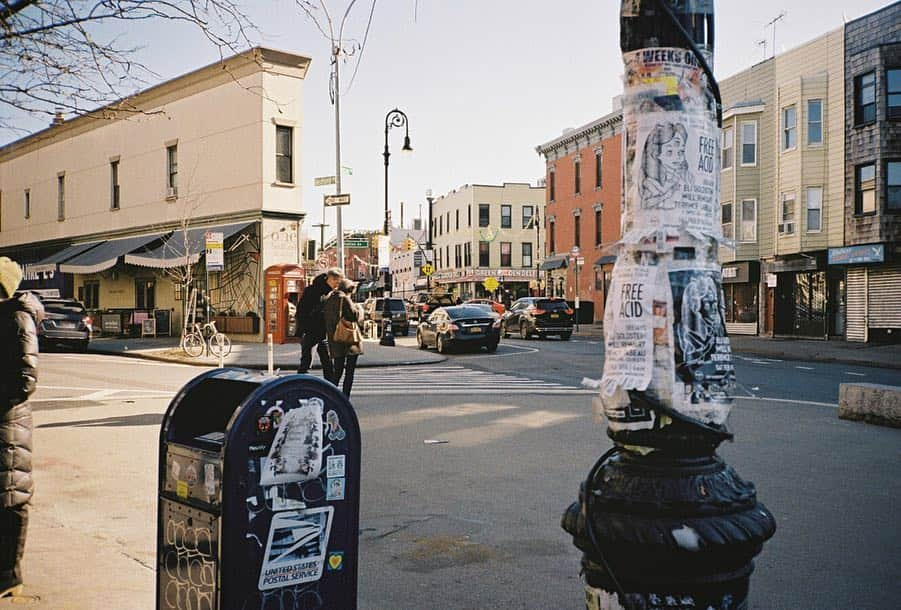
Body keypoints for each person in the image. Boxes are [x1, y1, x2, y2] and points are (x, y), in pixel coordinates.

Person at [0, 258, 42, 600]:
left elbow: (25, 378)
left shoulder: (16, 318)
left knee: (12, 498)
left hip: (9, 423)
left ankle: (9, 577)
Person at [296, 268, 342, 378]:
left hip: (322, 331)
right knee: (308, 360)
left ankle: (329, 385)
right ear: (331, 279)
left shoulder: (331, 292)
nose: (337, 284)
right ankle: (301, 383)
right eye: (337, 282)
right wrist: (304, 328)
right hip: (312, 330)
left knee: (326, 361)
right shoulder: (314, 291)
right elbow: (302, 310)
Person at [323, 279, 363, 398]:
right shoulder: (345, 299)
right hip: (348, 340)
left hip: (334, 338)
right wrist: (359, 309)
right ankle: (345, 397)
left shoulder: (329, 299)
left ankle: (332, 396)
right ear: (349, 290)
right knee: (349, 372)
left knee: (337, 371)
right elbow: (354, 315)